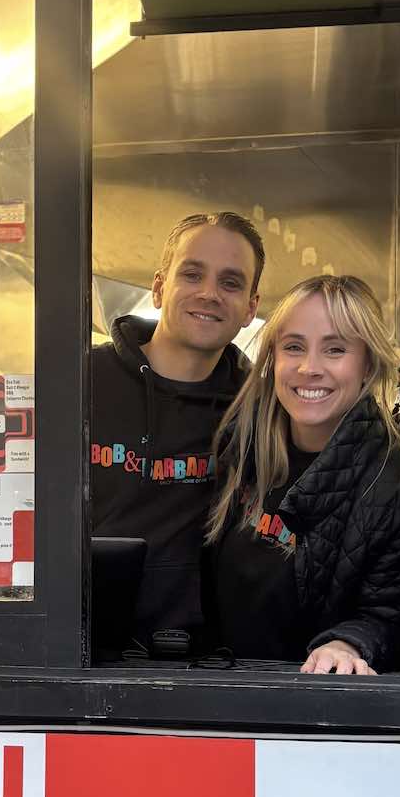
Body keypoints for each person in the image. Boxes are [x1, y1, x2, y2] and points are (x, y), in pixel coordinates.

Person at [205, 274, 400, 674]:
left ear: (368, 364)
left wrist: (345, 645)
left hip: (308, 712)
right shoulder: (242, 444)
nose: (310, 368)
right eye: (294, 347)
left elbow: (392, 614)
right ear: (273, 359)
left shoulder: (399, 482)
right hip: (219, 693)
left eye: (335, 349)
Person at [91, 211, 264, 644]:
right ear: (158, 287)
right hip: (78, 653)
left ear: (251, 308)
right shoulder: (80, 383)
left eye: (231, 282)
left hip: (203, 666)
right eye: (192, 274)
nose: (210, 294)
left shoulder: (261, 409)